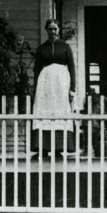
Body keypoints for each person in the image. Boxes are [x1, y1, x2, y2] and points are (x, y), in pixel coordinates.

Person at [32, 19, 76, 158]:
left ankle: (59, 148)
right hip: (45, 85)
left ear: (59, 30)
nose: (52, 31)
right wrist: (35, 89)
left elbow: (72, 68)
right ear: (46, 30)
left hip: (61, 85)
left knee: (60, 111)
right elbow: (37, 70)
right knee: (44, 111)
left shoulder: (65, 47)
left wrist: (72, 89)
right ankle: (42, 148)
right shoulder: (41, 49)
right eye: (50, 29)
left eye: (55, 29)